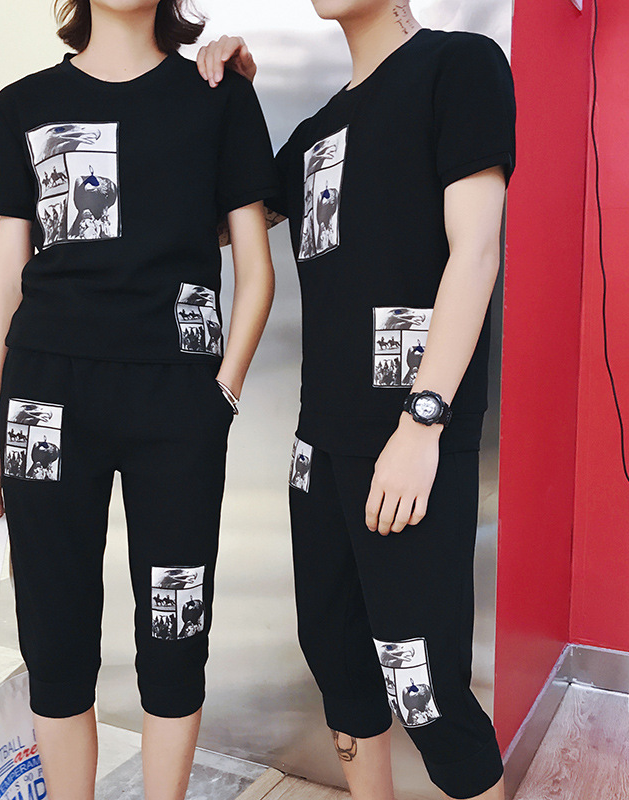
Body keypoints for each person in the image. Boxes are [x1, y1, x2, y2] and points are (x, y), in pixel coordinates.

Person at [197, 1, 516, 798]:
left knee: (424, 685)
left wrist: (424, 421)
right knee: (337, 657)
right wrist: (229, 99)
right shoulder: (316, 135)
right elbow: (223, 223)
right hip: (320, 443)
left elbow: (476, 252)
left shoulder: (459, 66)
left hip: (412, 431)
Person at [0, 1, 277, 799]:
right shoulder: (22, 105)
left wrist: (222, 394)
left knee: (176, 631)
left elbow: (256, 267)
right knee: (54, 635)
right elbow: (8, 278)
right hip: (44, 396)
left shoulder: (218, 95)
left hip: (177, 397)